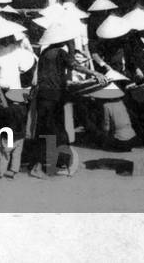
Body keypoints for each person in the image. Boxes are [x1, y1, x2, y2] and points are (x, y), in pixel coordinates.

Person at [31, 18, 106, 178]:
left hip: (44, 96)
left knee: (46, 131)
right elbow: (75, 65)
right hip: (53, 97)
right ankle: (45, 166)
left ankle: (46, 166)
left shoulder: (45, 52)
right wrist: (95, 73)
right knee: (56, 131)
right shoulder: (60, 53)